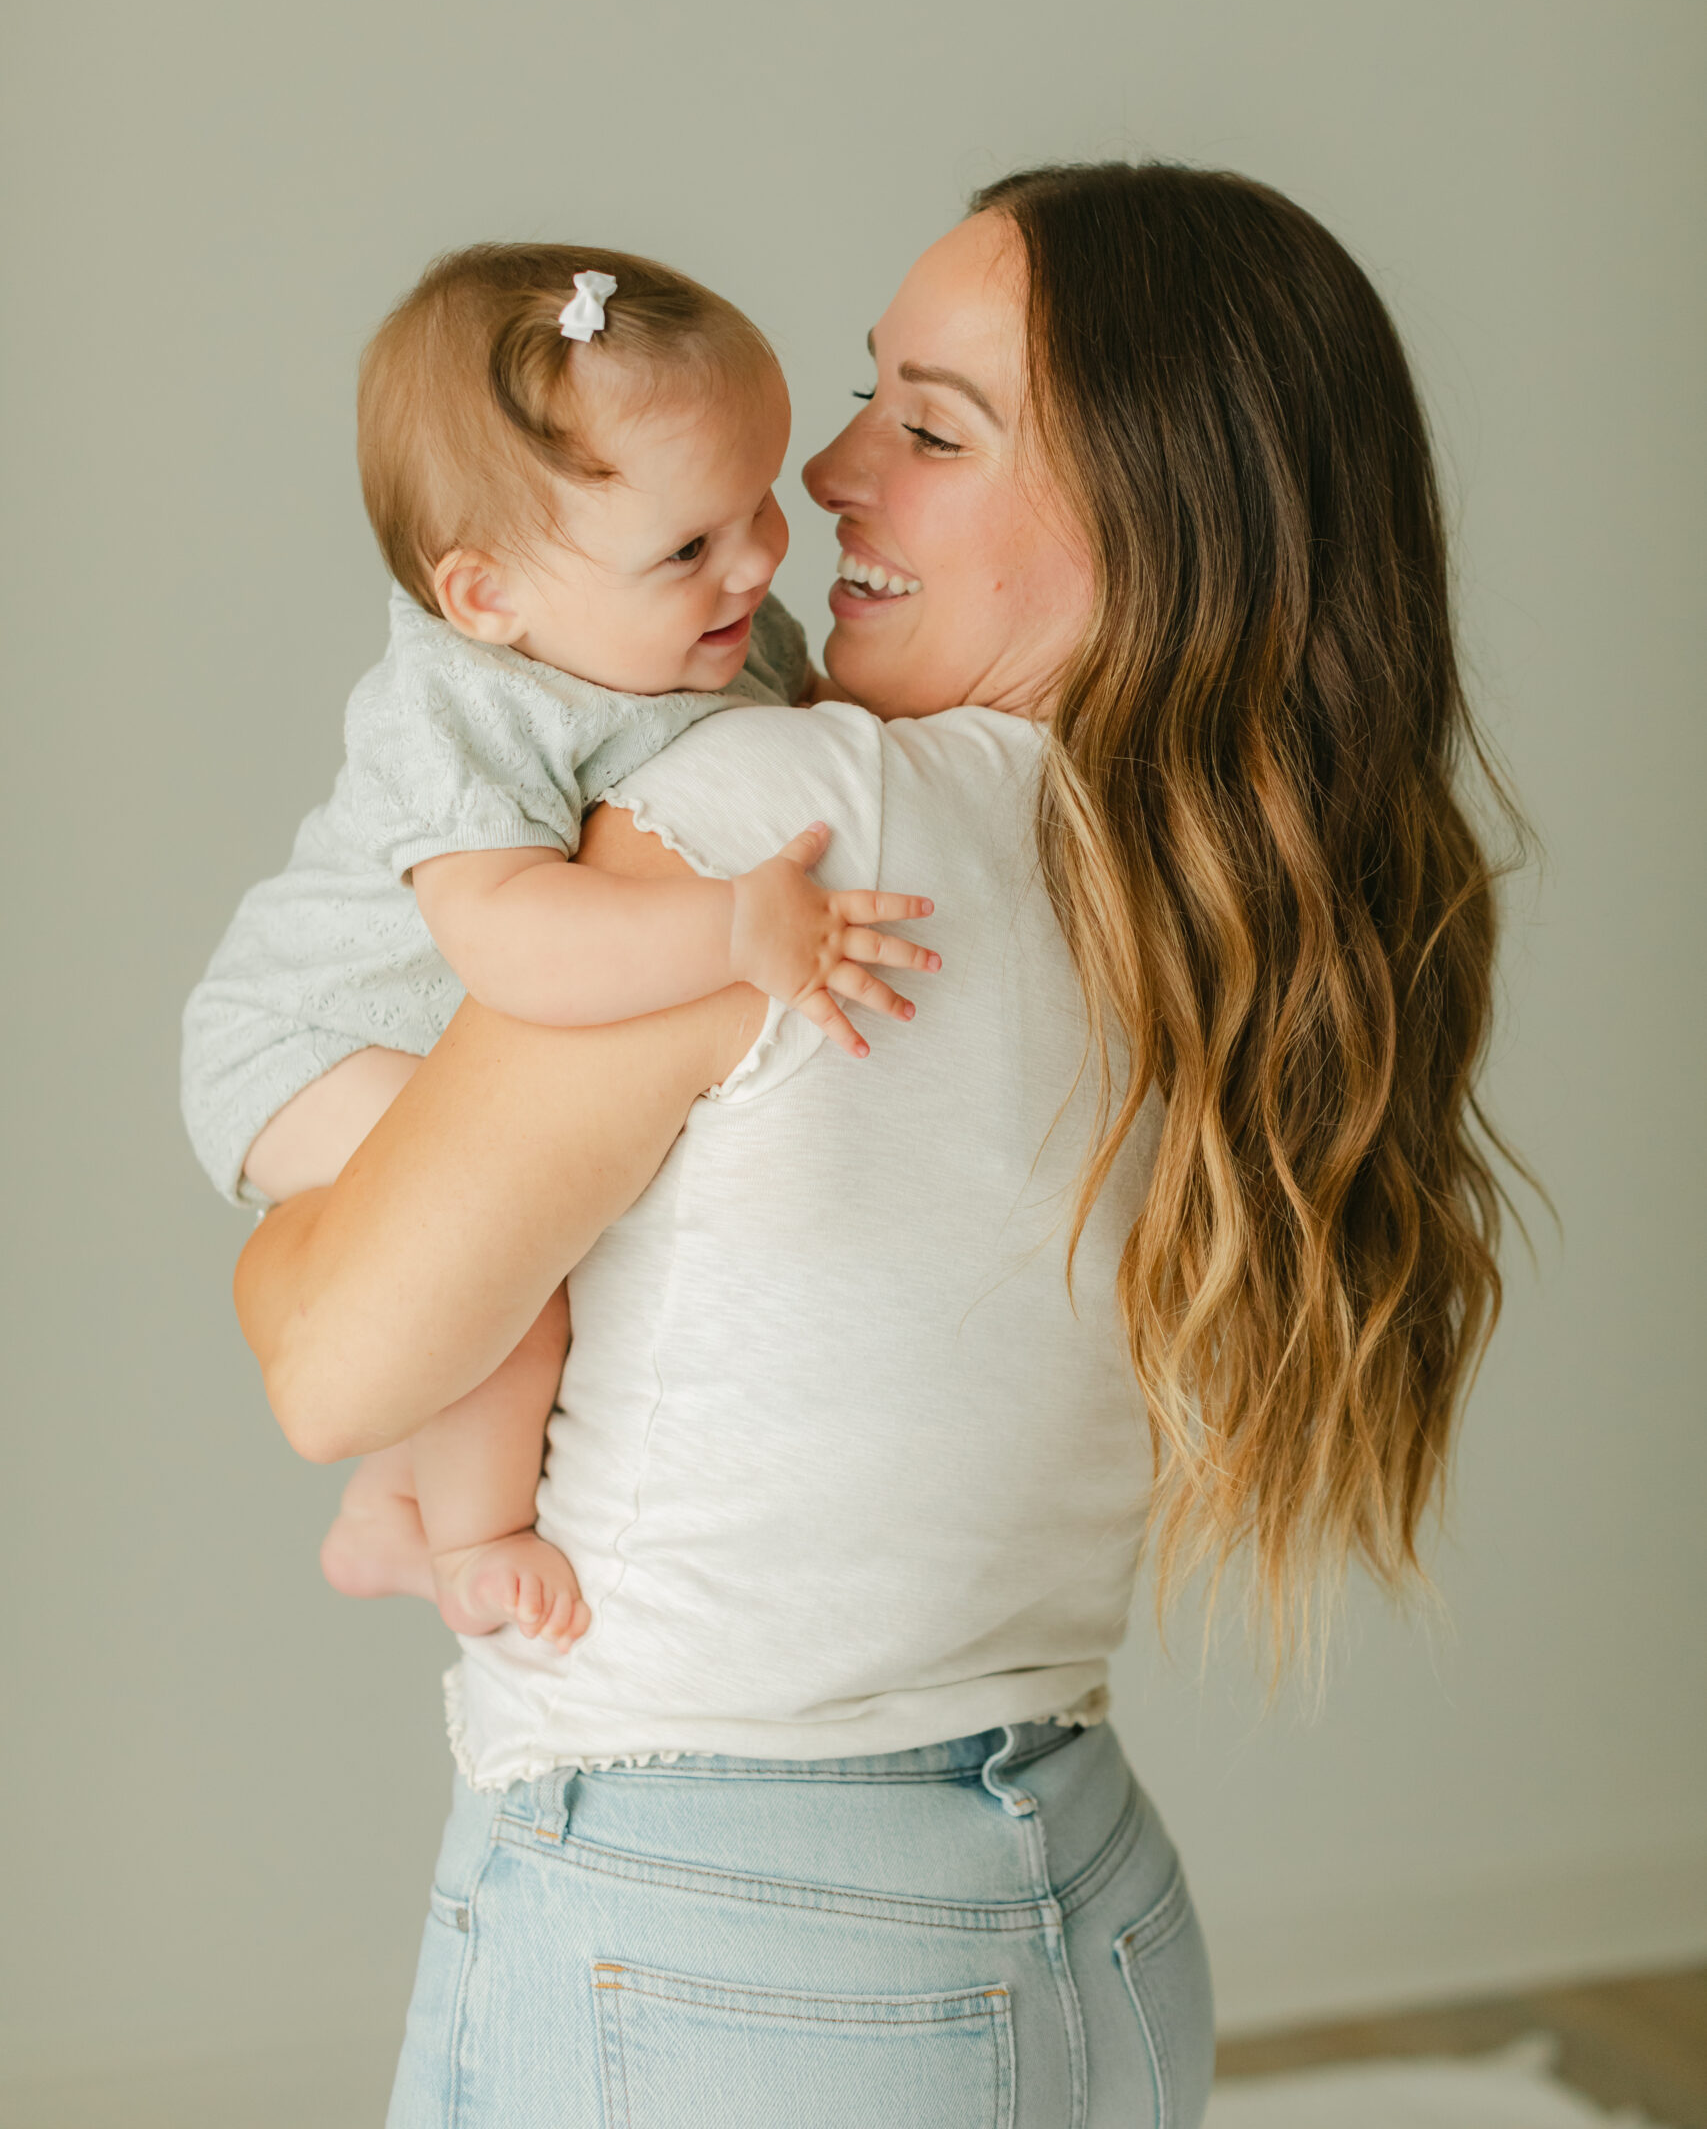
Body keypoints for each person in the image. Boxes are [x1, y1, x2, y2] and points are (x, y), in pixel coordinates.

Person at [235, 163, 1511, 2129]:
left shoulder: (774, 813)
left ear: (1155, 514)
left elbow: (340, 1360)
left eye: (928, 427)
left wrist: (278, 1210)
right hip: (1083, 1901)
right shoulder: (1239, 900)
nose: (826, 474)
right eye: (864, 396)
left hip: (725, 1945)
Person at [181, 242, 935, 1652]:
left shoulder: (702, 620)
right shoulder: (465, 707)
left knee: (499, 1240)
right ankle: (470, 1538)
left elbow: (802, 710)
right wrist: (732, 927)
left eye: (756, 502)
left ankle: (388, 1502)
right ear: (487, 600)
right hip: (311, 1034)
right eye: (694, 546)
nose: (764, 556)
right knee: (495, 1269)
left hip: (400, 1025)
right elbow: (517, 948)